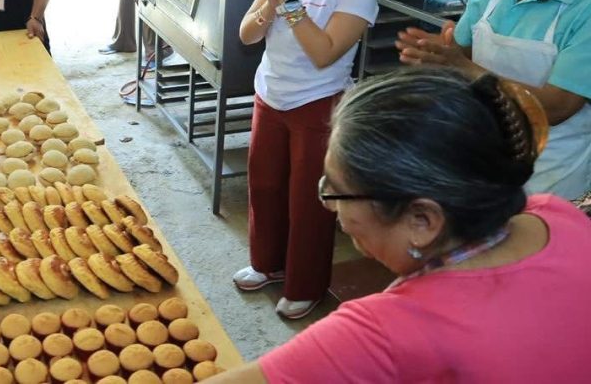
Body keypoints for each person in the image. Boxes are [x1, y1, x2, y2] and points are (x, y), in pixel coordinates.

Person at [204, 67, 591, 383]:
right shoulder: (557, 214)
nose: (330, 207)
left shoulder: (387, 333)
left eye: (337, 192)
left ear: (422, 221)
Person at [397, 0, 591, 200]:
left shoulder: (585, 2)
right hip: (478, 156)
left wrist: (465, 69)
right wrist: (438, 54)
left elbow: (557, 106)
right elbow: (462, 49)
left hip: (548, 179)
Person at [235, 0, 378, 320]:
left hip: (318, 102)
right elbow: (247, 34)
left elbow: (324, 53)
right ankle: (267, 264)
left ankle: (305, 285)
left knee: (309, 202)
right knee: (264, 185)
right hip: (271, 93)